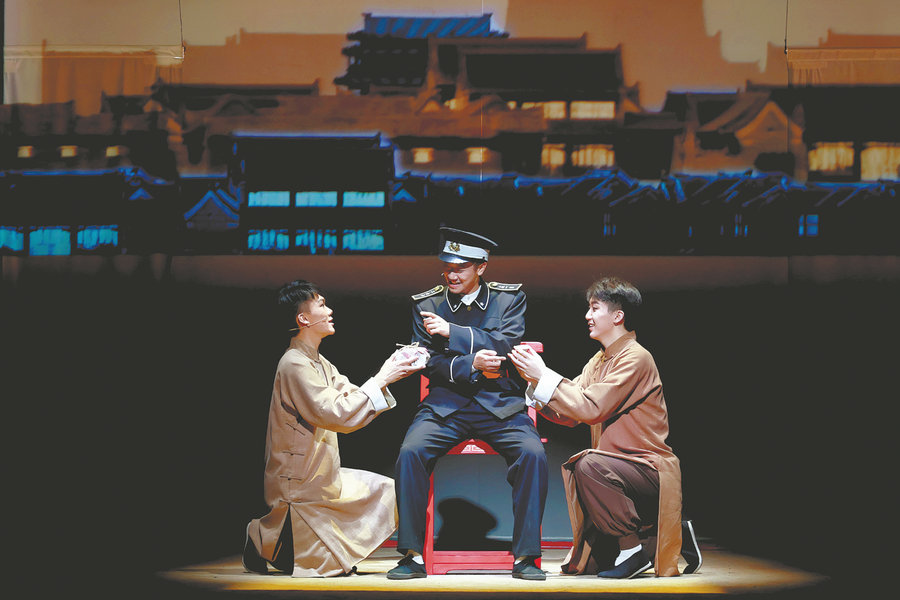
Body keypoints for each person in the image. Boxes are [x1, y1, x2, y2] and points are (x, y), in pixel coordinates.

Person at [508, 276, 701, 579]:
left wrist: (544, 375)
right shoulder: (598, 361)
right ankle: (661, 532)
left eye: (595, 308)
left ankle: (633, 551)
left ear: (617, 316)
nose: (588, 315)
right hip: (617, 471)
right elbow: (572, 413)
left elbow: (590, 408)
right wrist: (535, 384)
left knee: (587, 465)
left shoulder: (636, 358)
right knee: (587, 474)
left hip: (647, 467)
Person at [387, 227, 549, 581]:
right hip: (446, 404)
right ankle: (412, 555)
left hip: (499, 403)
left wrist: (453, 333)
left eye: (460, 268)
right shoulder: (427, 304)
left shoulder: (508, 300)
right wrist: (470, 363)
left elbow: (508, 345)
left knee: (532, 454)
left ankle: (525, 556)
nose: (451, 275)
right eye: (447, 267)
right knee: (411, 452)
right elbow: (426, 361)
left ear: (481, 267)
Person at [242, 279, 427, 577]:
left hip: (324, 475)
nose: (329, 311)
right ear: (303, 319)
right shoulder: (293, 363)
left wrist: (391, 371)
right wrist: (383, 376)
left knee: (390, 492)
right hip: (300, 481)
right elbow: (334, 413)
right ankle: (263, 537)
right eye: (321, 305)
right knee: (325, 566)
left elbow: (351, 397)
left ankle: (277, 541)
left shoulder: (319, 362)